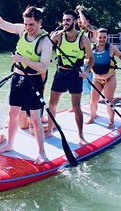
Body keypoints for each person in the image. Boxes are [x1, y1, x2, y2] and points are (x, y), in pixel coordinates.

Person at [0, 0, 53, 165]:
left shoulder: (45, 41)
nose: (28, 27)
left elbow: (43, 67)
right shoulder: (22, 30)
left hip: (34, 80)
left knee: (35, 118)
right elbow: (2, 23)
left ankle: (42, 153)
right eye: (26, 23)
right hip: (17, 78)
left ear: (40, 22)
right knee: (13, 114)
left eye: (31, 24)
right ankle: (10, 144)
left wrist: (22, 59)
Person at [47, 10, 95, 146]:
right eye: (63, 20)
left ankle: (80, 136)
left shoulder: (83, 39)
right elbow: (44, 51)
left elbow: (91, 59)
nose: (64, 23)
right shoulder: (58, 36)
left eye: (68, 20)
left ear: (74, 22)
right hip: (60, 73)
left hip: (75, 74)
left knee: (76, 107)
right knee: (52, 104)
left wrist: (86, 70)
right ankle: (50, 130)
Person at [85, 28, 121, 129]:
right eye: (100, 37)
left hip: (110, 78)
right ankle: (92, 117)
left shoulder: (112, 48)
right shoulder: (91, 48)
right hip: (96, 79)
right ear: (96, 38)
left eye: (104, 37)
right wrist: (86, 61)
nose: (102, 39)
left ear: (107, 38)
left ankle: (111, 121)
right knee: (93, 101)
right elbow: (86, 59)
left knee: (108, 101)